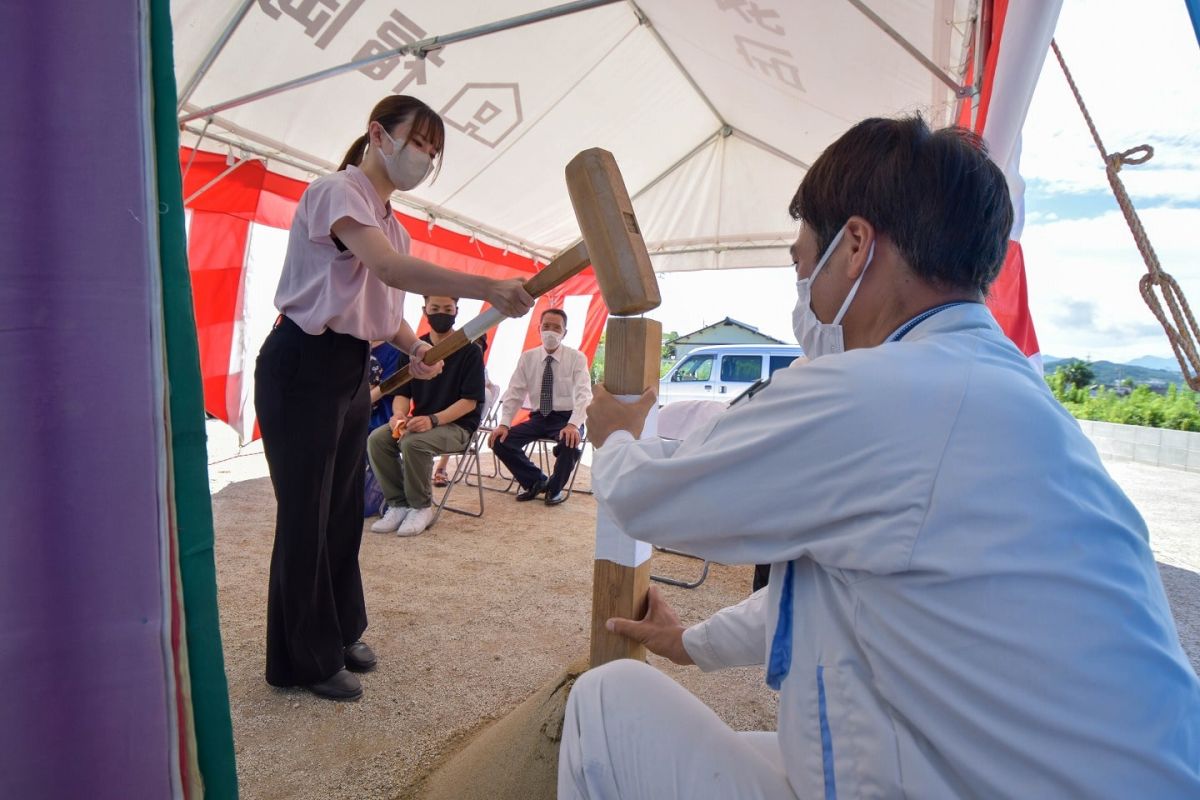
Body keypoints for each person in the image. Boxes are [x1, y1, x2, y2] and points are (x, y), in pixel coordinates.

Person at [559, 117, 1200, 798]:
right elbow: (830, 591)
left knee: (607, 702)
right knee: (776, 746)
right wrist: (688, 643)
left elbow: (654, 500)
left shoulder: (879, 390)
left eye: (805, 265)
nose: (804, 293)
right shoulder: (1017, 395)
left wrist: (618, 435)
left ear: (856, 246)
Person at [254, 95, 533, 702]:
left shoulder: (394, 222)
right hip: (302, 361)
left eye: (434, 152)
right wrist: (487, 284)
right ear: (378, 134)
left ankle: (339, 628)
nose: (424, 157)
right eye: (419, 143)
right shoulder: (338, 192)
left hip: (353, 368)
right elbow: (388, 270)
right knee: (306, 511)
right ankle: (299, 658)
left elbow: (386, 315)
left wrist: (416, 349)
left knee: (342, 507)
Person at [366, 296, 484, 536]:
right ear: (425, 311)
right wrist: (399, 415)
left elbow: (470, 402)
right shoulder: (412, 349)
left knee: (413, 442)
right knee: (377, 439)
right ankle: (398, 504)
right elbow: (402, 392)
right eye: (435, 308)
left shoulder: (470, 350)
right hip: (421, 423)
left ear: (456, 311)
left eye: (447, 309)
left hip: (458, 427)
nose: (442, 313)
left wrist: (433, 419)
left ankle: (421, 506)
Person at [489, 308, 591, 505]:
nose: (550, 332)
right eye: (546, 326)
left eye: (556, 328)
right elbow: (514, 393)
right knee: (499, 441)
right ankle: (536, 481)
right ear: (539, 328)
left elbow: (584, 394)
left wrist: (573, 424)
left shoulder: (576, 358)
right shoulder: (528, 358)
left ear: (564, 332)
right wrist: (504, 424)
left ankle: (555, 489)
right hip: (539, 417)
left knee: (569, 442)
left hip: (567, 418)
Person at [433, 335, 498, 487]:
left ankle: (440, 468)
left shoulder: (482, 371)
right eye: (473, 343)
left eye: (479, 344)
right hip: (441, 415)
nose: (476, 347)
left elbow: (488, 392)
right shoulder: (448, 366)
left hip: (463, 423)